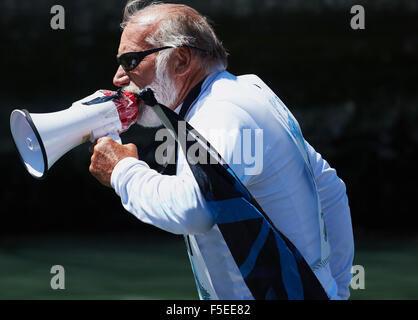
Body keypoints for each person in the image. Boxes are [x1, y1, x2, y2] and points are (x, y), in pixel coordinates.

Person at [89, 0, 354, 300]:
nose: (118, 78)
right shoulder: (249, 90)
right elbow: (330, 189)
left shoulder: (217, 114)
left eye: (131, 61)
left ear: (181, 60)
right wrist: (337, 290)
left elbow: (194, 210)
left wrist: (122, 172)